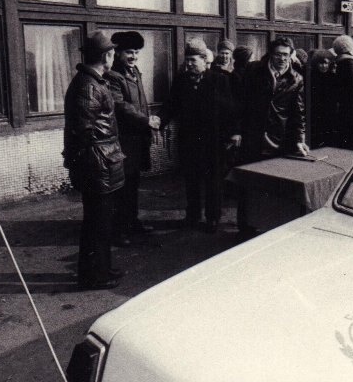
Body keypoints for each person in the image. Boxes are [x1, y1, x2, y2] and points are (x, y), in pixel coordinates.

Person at [62, 31, 125, 290]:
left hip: (101, 162)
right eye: (112, 53)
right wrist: (87, 165)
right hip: (98, 165)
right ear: (106, 56)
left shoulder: (94, 82)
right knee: (97, 224)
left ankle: (102, 268)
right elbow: (82, 132)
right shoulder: (88, 86)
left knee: (102, 222)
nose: (114, 57)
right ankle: (93, 276)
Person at [160, 39, 237, 233]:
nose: (189, 64)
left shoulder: (219, 80)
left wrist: (233, 133)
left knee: (213, 181)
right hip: (189, 140)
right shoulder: (181, 81)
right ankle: (192, 215)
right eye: (187, 60)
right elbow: (170, 105)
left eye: (193, 60)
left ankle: (213, 218)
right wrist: (158, 121)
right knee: (191, 180)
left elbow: (230, 110)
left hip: (213, 141)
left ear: (204, 60)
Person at [236, 37, 308, 234]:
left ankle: (268, 227)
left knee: (273, 185)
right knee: (248, 182)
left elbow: (298, 113)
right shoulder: (254, 70)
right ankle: (245, 227)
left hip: (278, 139)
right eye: (277, 54)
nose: (281, 59)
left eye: (285, 55)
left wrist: (300, 139)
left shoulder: (296, 79)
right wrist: (237, 131)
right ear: (270, 54)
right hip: (252, 135)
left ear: (291, 55)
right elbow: (241, 102)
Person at [106, 31, 161, 246]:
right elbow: (120, 106)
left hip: (137, 139)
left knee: (133, 183)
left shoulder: (134, 71)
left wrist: (148, 119)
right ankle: (118, 230)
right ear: (118, 52)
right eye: (129, 52)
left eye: (137, 52)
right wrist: (145, 120)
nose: (134, 56)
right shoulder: (113, 76)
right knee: (121, 187)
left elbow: (141, 103)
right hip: (123, 140)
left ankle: (132, 221)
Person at [309, 49, 338, 148]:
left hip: (330, 113)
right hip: (315, 113)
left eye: (326, 63)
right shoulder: (311, 77)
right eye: (321, 63)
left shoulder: (333, 77)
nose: (324, 66)